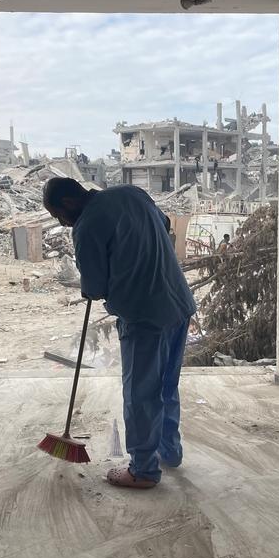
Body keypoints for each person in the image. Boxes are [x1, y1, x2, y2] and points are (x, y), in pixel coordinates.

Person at [43, 178, 196, 489]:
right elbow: (164, 223)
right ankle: (170, 451)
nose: (59, 221)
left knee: (140, 394)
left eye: (57, 214)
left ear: (69, 203)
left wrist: (98, 280)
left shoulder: (86, 226)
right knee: (166, 386)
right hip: (178, 304)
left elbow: (95, 287)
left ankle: (143, 470)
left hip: (144, 315)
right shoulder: (132, 193)